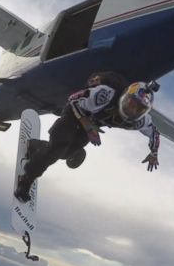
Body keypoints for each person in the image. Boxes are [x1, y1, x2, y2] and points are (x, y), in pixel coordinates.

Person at [14, 71, 160, 203]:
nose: (132, 110)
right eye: (131, 103)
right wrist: (87, 125)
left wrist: (154, 153)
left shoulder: (139, 121)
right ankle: (26, 179)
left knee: (65, 154)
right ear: (124, 96)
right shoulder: (105, 94)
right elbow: (73, 100)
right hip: (76, 112)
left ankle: (35, 146)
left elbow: (154, 133)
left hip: (92, 123)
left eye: (138, 109)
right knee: (59, 147)